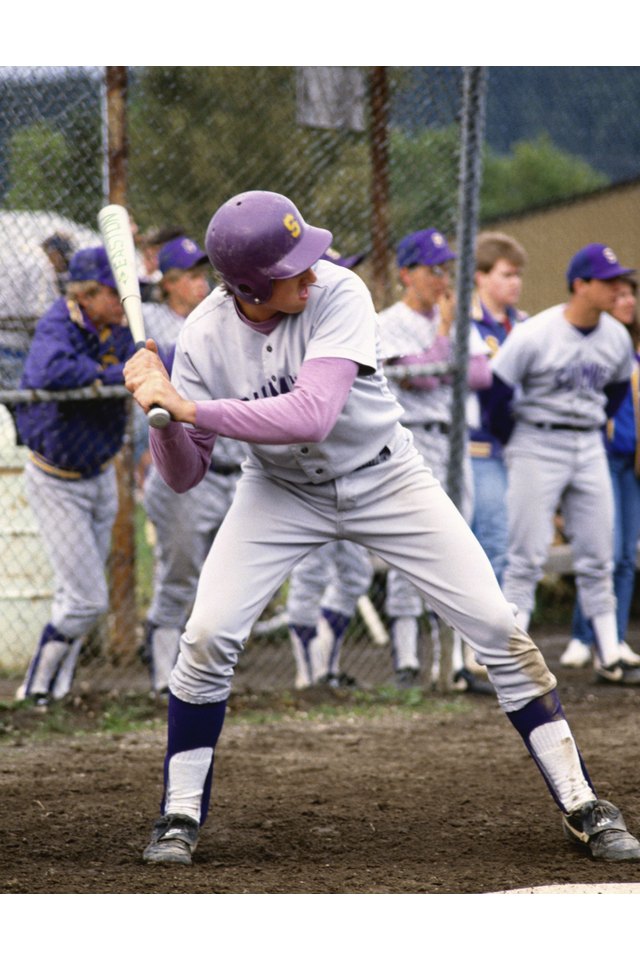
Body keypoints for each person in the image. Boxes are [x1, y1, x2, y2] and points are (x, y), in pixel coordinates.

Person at [123, 191, 640, 867]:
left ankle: (581, 802)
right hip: (279, 491)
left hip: (385, 477)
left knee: (496, 625)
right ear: (248, 284)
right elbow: (185, 473)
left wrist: (191, 404)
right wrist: (160, 408)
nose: (311, 271)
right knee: (208, 634)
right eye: (292, 267)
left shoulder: (339, 293)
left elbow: (312, 414)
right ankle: (179, 813)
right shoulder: (203, 337)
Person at [488, 242, 640, 687]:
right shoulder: (537, 332)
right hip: (537, 438)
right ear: (580, 284)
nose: (618, 288)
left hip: (588, 442)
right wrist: (513, 440)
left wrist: (592, 426)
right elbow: (496, 390)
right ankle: (511, 658)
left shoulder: (614, 336)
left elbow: (613, 393)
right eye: (608, 281)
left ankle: (609, 653)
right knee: (526, 555)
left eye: (620, 280)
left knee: (600, 554)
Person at [14, 247, 134, 708]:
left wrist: (109, 375)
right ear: (86, 293)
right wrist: (106, 375)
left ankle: (54, 693)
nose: (123, 300)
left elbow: (140, 364)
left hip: (101, 474)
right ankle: (36, 686)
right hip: (56, 480)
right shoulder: (58, 323)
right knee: (87, 600)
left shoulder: (119, 328)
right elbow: (49, 369)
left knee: (72, 593)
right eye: (113, 291)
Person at [377, 228, 493, 692]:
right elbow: (417, 379)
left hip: (456, 441)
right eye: (432, 269)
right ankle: (407, 660)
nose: (442, 278)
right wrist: (446, 337)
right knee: (410, 549)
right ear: (407, 273)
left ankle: (456, 661)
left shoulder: (456, 315)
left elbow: (481, 374)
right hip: (413, 441)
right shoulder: (390, 321)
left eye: (447, 268)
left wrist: (443, 347)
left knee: (460, 549)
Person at [140, 235, 246, 694]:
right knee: (180, 575)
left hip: (233, 471)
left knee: (227, 580)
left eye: (204, 276)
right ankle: (164, 677)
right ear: (167, 284)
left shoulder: (217, 321)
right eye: (188, 277)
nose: (199, 285)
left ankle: (205, 671)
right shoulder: (151, 323)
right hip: (181, 473)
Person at [286, 246, 373, 690]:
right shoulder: (298, 332)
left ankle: (327, 666)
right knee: (312, 572)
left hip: (356, 466)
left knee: (356, 572)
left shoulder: (352, 317)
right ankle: (308, 676)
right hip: (307, 470)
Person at [561, 275, 640, 669]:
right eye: (620, 293)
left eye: (631, 295)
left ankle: (616, 638)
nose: (626, 301)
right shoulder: (594, 342)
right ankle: (582, 634)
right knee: (601, 548)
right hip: (600, 455)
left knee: (626, 555)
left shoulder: (629, 348)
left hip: (631, 463)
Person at [468, 231, 528, 585]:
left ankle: (503, 629)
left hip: (521, 445)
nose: (515, 282)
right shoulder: (464, 322)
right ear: (481, 276)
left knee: (512, 543)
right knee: (490, 537)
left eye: (518, 274)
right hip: (479, 446)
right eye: (507, 274)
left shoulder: (525, 324)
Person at [287, 539, 373, 688]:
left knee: (356, 575)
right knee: (310, 576)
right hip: (312, 516)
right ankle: (310, 681)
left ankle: (327, 673)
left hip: (350, 516)